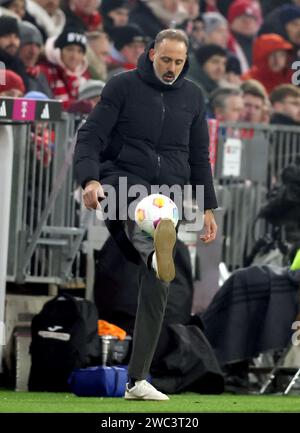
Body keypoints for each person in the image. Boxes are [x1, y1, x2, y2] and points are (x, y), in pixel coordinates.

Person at [74, 28, 218, 401]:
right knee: (147, 209)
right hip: (119, 184)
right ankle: (157, 245)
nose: (171, 68)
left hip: (168, 193)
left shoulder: (193, 97)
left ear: (185, 62)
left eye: (179, 62)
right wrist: (90, 179)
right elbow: (90, 137)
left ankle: (137, 381)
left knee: (159, 283)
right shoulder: (121, 87)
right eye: (166, 59)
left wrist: (208, 208)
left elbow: (200, 157)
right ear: (152, 53)